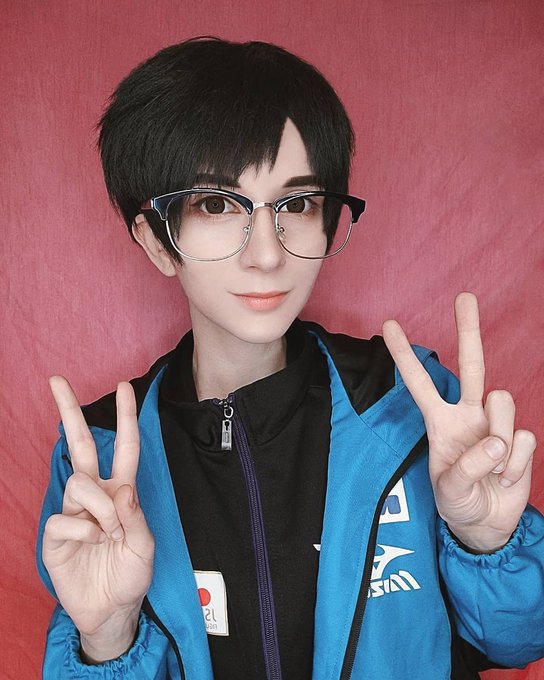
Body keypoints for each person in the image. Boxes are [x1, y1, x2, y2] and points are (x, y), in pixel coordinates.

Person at [36, 38, 544, 680]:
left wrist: (488, 543)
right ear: (157, 241)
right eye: (216, 204)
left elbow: (520, 644)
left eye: (296, 204)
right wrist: (107, 638)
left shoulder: (407, 403)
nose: (267, 253)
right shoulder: (101, 454)